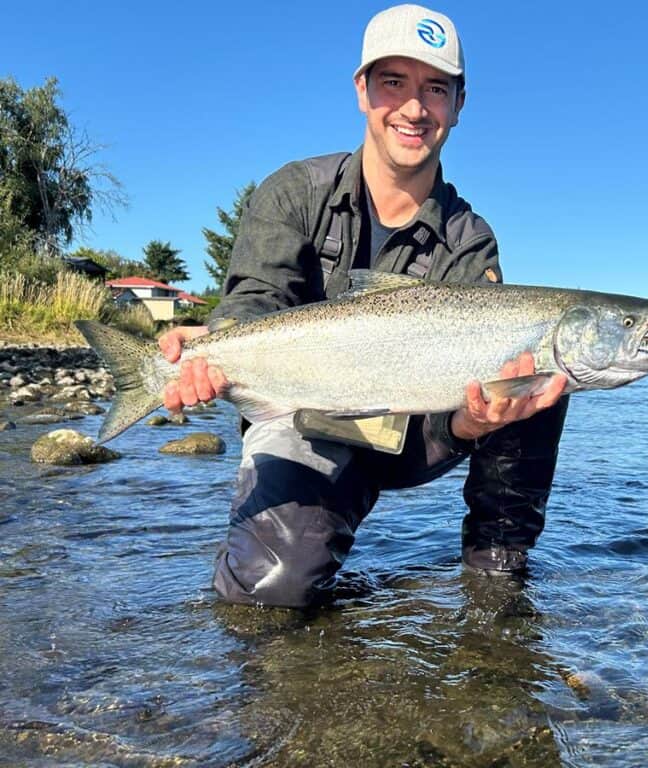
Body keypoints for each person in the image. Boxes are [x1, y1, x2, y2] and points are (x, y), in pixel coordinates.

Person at [157, 4, 569, 608]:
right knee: (271, 594)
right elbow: (253, 302)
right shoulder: (293, 192)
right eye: (393, 83)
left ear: (458, 103)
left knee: (544, 371)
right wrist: (211, 351)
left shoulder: (470, 239)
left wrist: (475, 421)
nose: (413, 107)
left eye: (435, 88)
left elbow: (448, 416)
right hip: (303, 416)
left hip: (416, 430)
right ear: (362, 90)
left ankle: (496, 575)